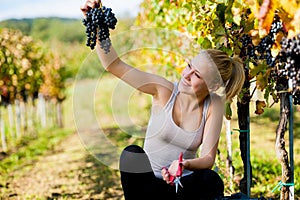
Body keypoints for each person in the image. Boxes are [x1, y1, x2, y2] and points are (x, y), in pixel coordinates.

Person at [81, 1, 245, 199]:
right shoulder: (164, 90)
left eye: (197, 75)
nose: (186, 75)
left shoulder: (214, 105)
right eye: (188, 66)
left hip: (180, 186)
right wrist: (97, 25)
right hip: (149, 188)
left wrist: (184, 164)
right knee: (131, 153)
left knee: (211, 180)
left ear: (212, 87)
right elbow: (114, 65)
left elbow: (208, 158)